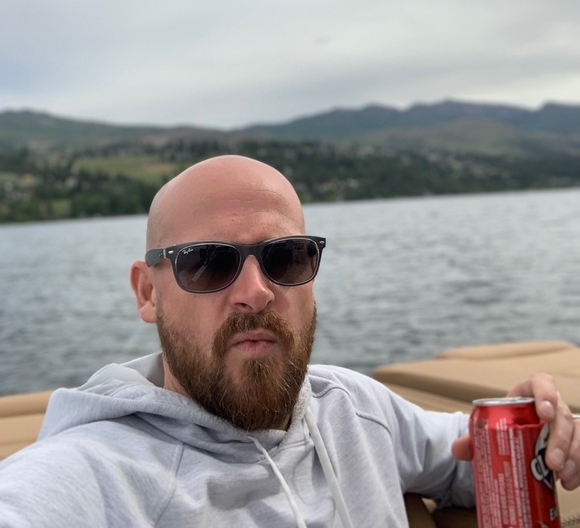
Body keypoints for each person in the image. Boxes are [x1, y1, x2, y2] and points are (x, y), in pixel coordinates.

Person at [0, 155, 578, 527]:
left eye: (286, 257)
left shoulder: (356, 409)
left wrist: (553, 437)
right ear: (148, 293)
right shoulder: (97, 472)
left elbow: (469, 464)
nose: (256, 292)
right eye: (207, 263)